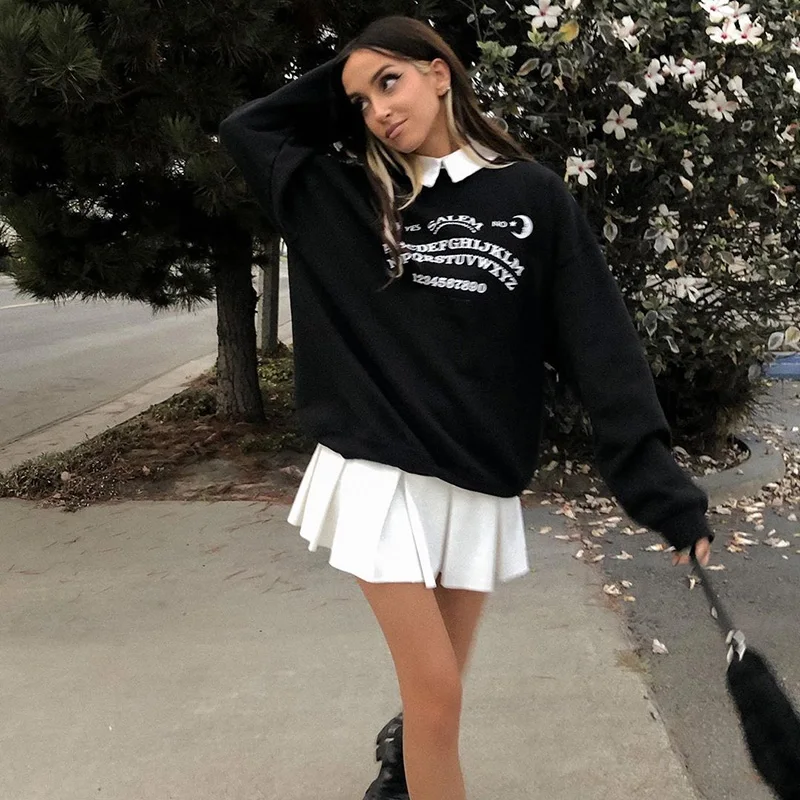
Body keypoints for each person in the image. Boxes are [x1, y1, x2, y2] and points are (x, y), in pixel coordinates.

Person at [218, 15, 713, 800]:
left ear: (440, 72)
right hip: (380, 471)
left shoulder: (532, 196)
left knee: (440, 688)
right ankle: (414, 762)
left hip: (477, 476)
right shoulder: (348, 197)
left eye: (391, 81)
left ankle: (403, 763)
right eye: (360, 102)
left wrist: (662, 492)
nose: (378, 110)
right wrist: (355, 71)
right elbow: (249, 129)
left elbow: (600, 346)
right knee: (438, 697)